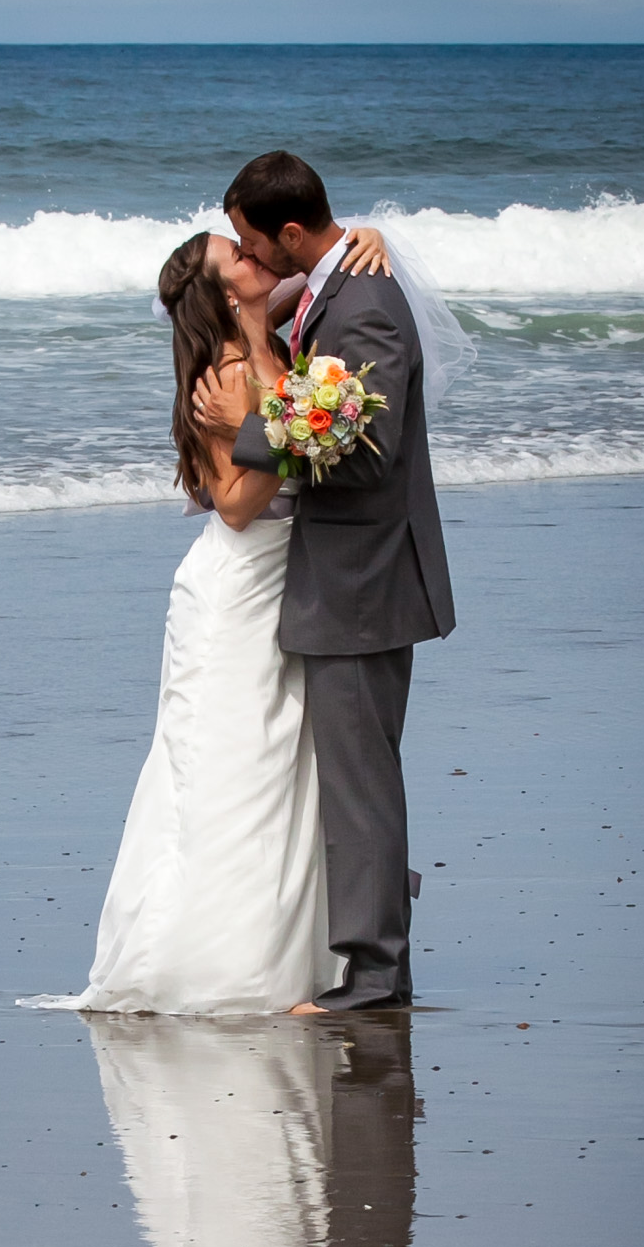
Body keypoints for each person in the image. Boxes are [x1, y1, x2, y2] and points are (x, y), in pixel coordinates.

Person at [20, 215, 392, 1016]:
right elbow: (230, 505)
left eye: (252, 245)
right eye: (238, 254)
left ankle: (291, 952)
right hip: (236, 587)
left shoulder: (283, 329)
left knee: (279, 767)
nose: (256, 254)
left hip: (286, 582)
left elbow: (321, 260)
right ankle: (207, 960)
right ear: (226, 291)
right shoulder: (223, 375)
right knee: (226, 763)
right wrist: (277, 433)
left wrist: (371, 236)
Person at [195, 151, 456, 1012]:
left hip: (362, 578)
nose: (248, 254)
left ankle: (374, 977)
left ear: (292, 233)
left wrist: (246, 428)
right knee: (354, 778)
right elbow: (217, 301)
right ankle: (378, 966)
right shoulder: (334, 284)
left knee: (361, 783)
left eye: (249, 240)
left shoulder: (364, 303)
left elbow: (364, 453)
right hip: (351, 574)